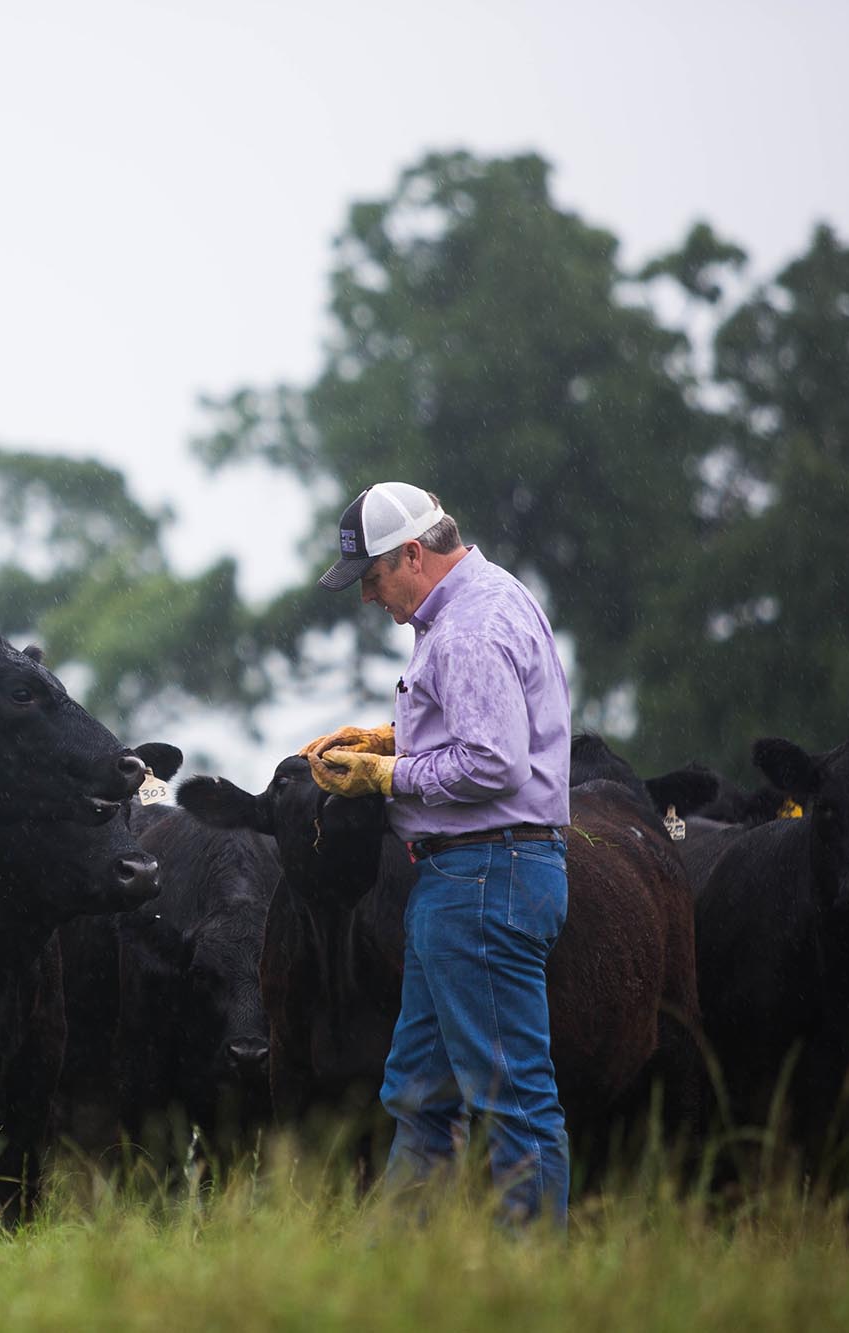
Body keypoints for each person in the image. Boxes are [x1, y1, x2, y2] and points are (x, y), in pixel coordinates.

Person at [303, 481, 572, 1229]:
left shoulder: (465, 629)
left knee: (512, 1097)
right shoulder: (492, 596)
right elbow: (490, 727)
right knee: (419, 1092)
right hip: (475, 876)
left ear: (413, 554)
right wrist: (388, 738)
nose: (367, 597)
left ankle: (533, 1281)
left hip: (484, 875)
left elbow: (495, 762)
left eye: (372, 577)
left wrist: (388, 774)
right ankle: (394, 1271)